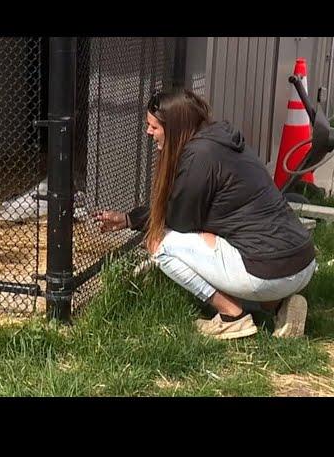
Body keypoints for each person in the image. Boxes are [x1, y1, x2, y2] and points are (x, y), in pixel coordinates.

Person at [93, 88, 316, 340]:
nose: (148, 132)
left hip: (266, 272)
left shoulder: (199, 157)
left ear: (174, 126)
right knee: (232, 240)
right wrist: (128, 219)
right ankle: (279, 306)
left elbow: (179, 220)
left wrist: (134, 221)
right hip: (303, 262)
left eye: (153, 126)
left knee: (158, 242)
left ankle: (232, 316)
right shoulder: (222, 141)